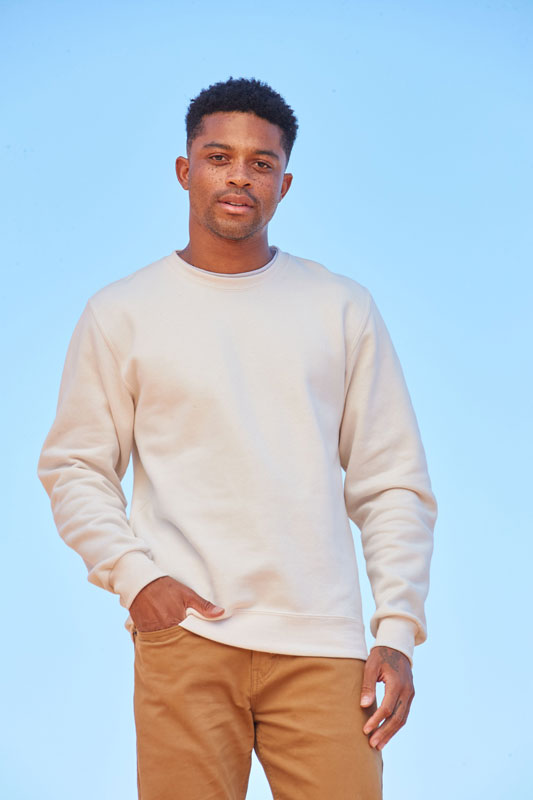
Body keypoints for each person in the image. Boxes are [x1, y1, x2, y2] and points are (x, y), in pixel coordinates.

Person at [37, 76, 438, 799]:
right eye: (219, 157)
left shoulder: (341, 307)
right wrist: (138, 581)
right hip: (186, 637)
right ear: (185, 170)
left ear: (284, 183)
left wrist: (397, 631)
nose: (239, 176)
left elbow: (391, 482)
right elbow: (74, 467)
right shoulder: (123, 312)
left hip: (322, 646)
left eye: (261, 162)